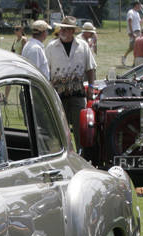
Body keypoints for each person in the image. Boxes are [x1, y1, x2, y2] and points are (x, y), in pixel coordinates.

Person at [46, 16, 96, 147]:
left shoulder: (83, 46)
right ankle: (66, 154)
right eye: (62, 28)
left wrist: (91, 86)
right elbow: (46, 72)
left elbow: (90, 68)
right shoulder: (51, 47)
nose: (63, 31)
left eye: (67, 29)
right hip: (58, 95)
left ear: (73, 31)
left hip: (78, 94)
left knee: (81, 127)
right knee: (61, 128)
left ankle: (82, 155)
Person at [121, 0, 143, 66]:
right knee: (133, 47)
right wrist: (132, 33)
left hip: (138, 30)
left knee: (136, 47)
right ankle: (125, 57)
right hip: (133, 31)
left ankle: (134, 62)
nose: (140, 6)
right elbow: (129, 23)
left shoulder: (137, 13)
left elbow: (140, 23)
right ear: (136, 5)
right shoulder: (130, 12)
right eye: (139, 5)